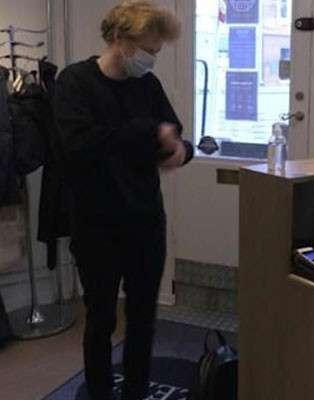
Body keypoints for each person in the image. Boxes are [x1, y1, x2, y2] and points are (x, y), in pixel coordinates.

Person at [53, 2, 193, 399]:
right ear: (120, 40)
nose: (152, 58)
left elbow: (174, 134)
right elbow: (78, 145)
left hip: (146, 221)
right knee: (101, 320)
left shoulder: (147, 85)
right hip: (96, 226)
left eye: (157, 51)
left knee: (143, 319)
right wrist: (148, 134)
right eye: (148, 49)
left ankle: (136, 391)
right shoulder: (75, 83)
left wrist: (181, 150)